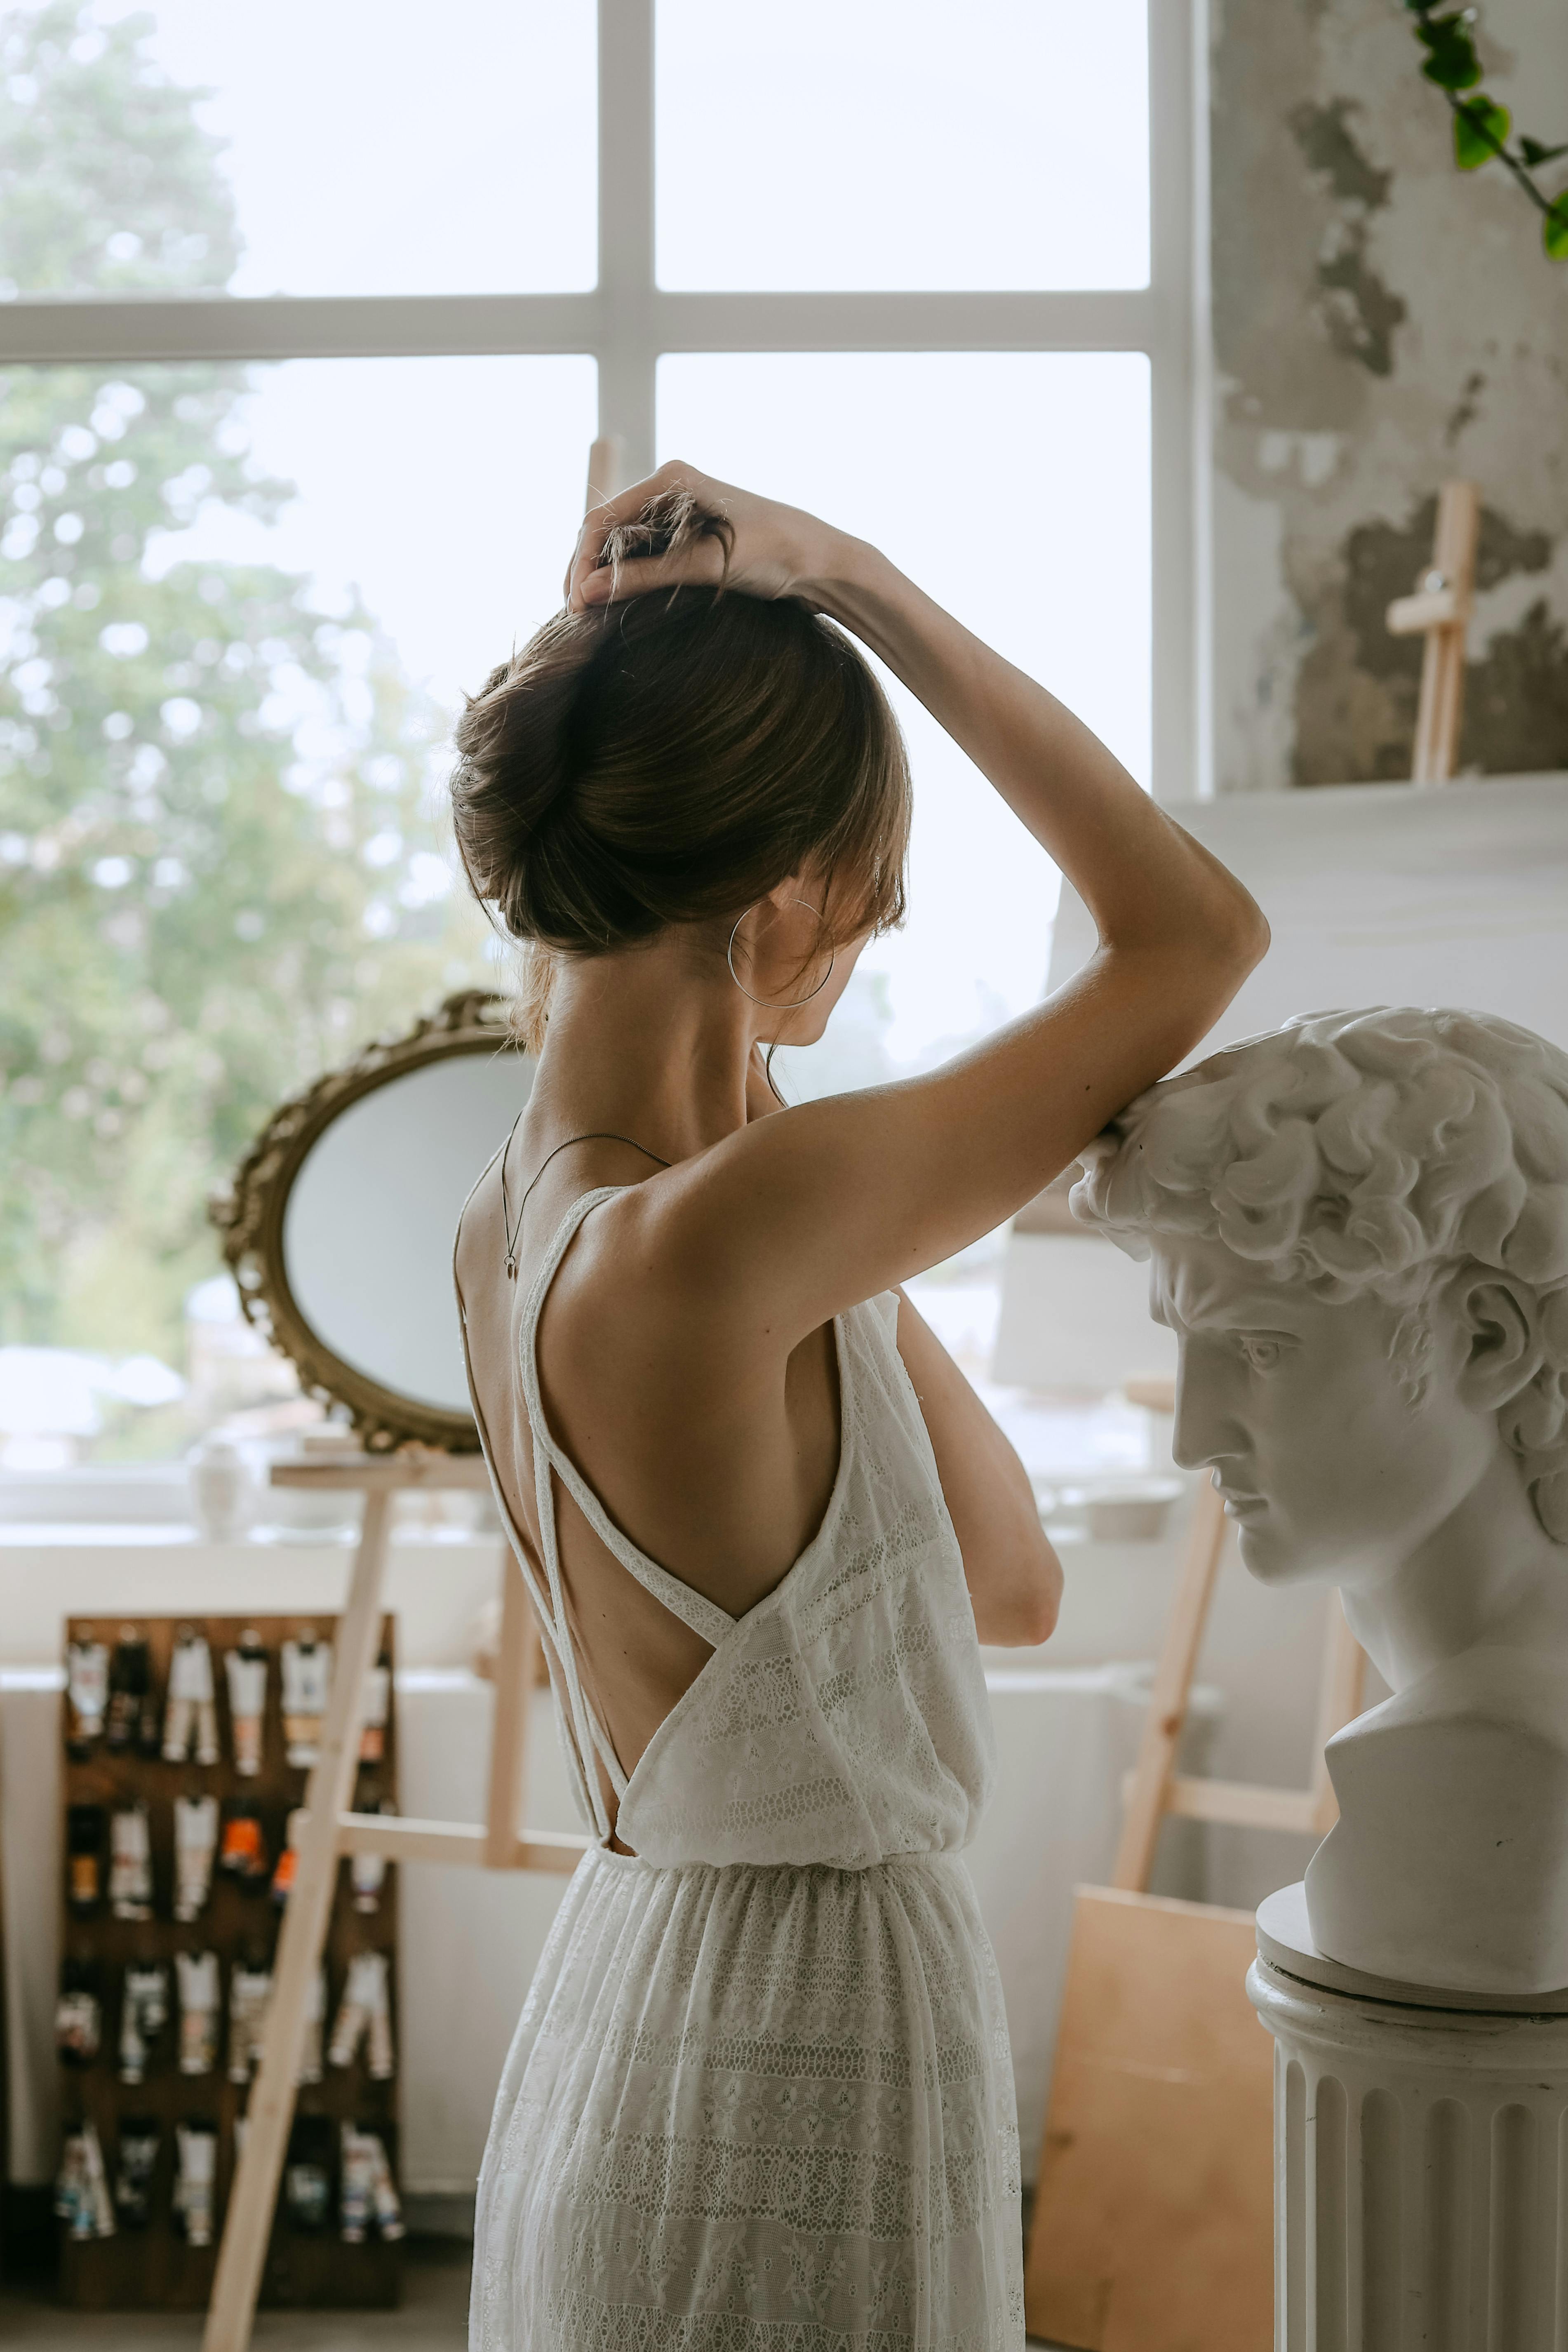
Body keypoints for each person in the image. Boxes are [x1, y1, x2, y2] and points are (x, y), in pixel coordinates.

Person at [450, 461, 1266, 2349]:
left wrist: (773, 1136)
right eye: (871, 893)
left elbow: (1004, 1576)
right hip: (811, 2032)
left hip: (632, 2003)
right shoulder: (726, 1228)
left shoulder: (521, 1221)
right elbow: (1193, 937)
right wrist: (855, 578)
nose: (871, 935)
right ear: (794, 880)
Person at [1074, 1004, 1568, 1995]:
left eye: (1260, 1349)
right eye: (1189, 1351)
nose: (1192, 1437)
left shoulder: (1500, 1755)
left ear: (1485, 1342)